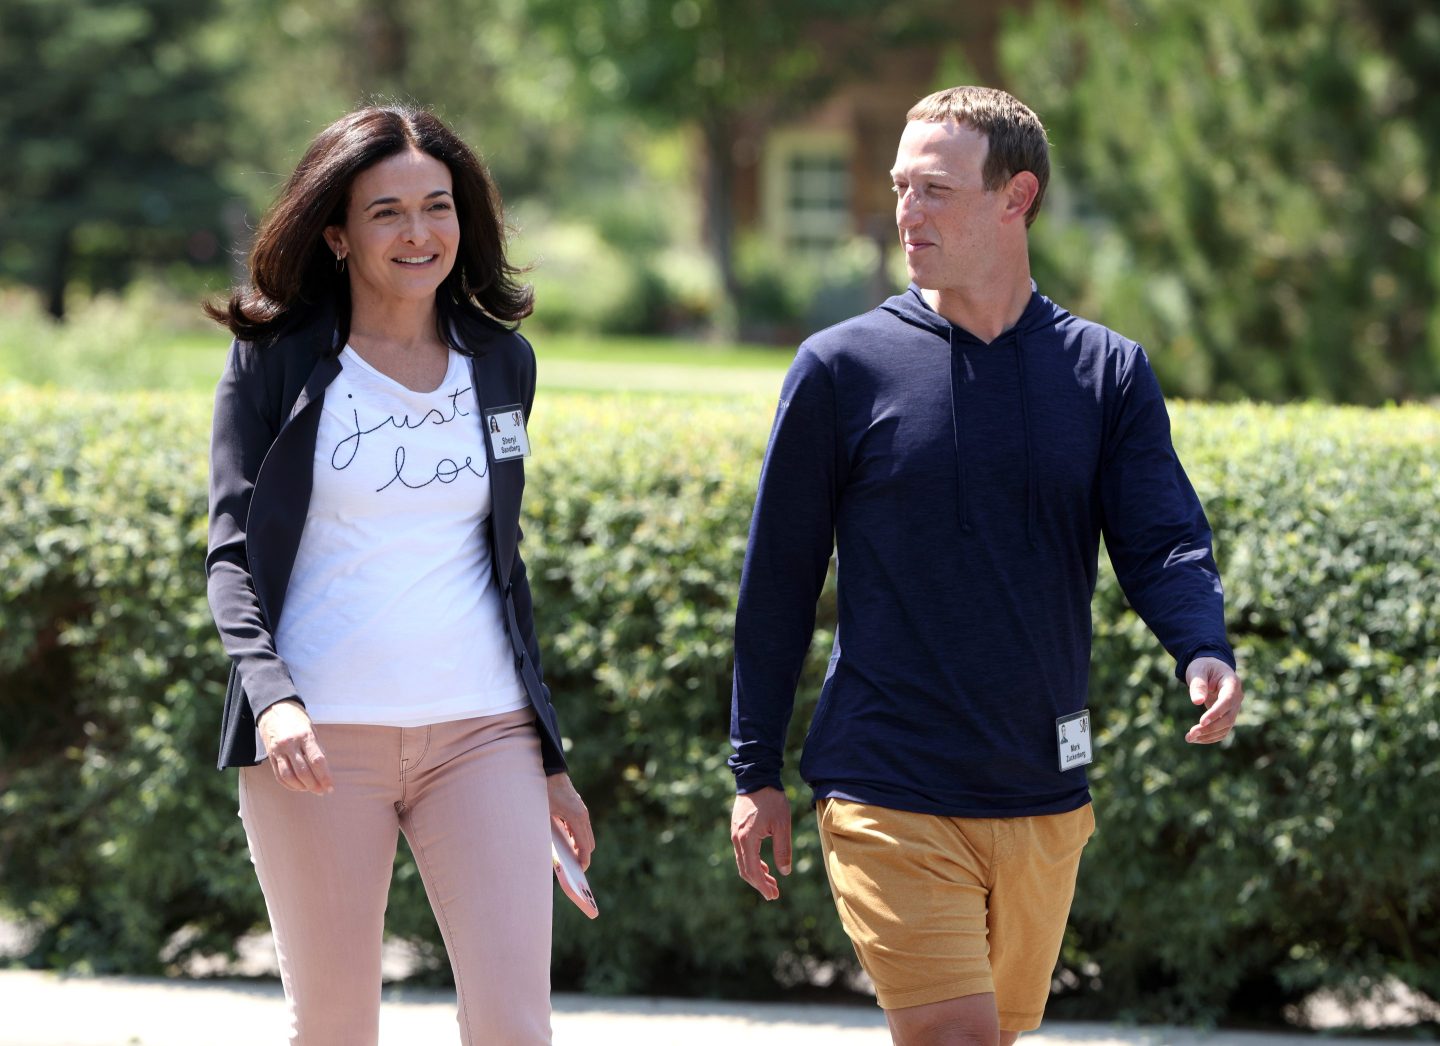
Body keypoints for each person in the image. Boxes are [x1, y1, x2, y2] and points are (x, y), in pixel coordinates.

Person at [728, 86, 1244, 1046]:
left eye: (935, 190)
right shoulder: (841, 369)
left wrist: (1199, 644)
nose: (905, 213)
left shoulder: (1106, 372)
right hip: (887, 783)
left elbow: (1161, 533)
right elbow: (780, 582)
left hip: (1044, 794)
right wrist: (754, 768)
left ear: (1018, 198)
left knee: (992, 1038)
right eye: (899, 187)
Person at [205, 105, 593, 1046]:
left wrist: (546, 755)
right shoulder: (277, 360)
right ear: (335, 232)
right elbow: (231, 552)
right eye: (386, 212)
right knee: (337, 1027)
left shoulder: (502, 364)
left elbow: (503, 562)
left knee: (516, 1028)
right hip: (321, 745)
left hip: (483, 733)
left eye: (438, 206)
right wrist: (274, 701)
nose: (420, 233)